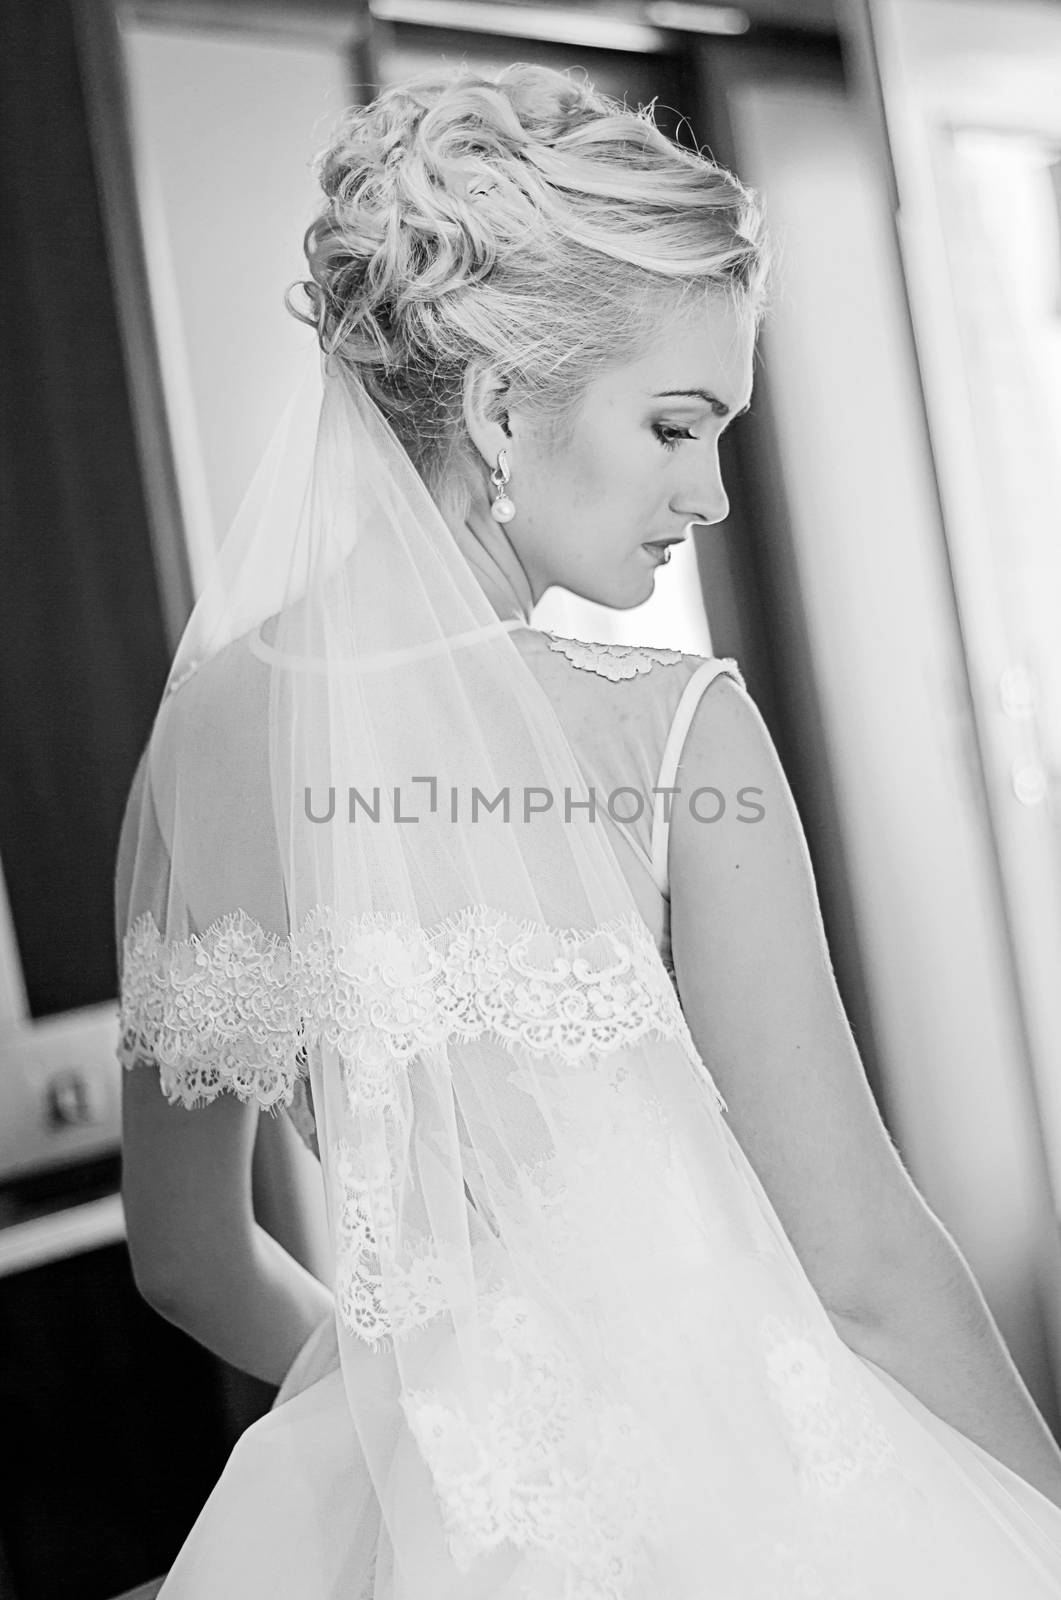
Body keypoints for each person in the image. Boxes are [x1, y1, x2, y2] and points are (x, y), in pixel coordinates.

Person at [114, 62, 1061, 1598]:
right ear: (497, 405)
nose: (710, 493)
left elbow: (182, 1256)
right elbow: (869, 1272)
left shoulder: (206, 734)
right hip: (744, 1513)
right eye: (677, 425)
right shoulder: (673, 730)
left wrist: (444, 1438)